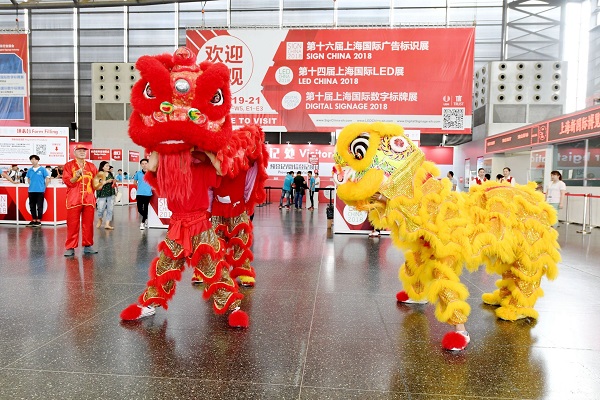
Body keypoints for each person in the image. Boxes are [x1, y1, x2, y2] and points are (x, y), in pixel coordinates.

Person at [62, 144, 99, 256]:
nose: (82, 152)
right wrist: (77, 176)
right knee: (72, 224)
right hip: (74, 199)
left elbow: (96, 183)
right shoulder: (69, 165)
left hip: (88, 199)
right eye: (79, 150)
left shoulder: (92, 166)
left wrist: (104, 181)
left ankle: (88, 245)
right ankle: (70, 247)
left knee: (88, 224)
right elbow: (68, 181)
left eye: (84, 150)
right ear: (74, 152)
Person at [25, 155, 50, 226]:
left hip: (40, 191)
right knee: (32, 206)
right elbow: (28, 179)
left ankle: (38, 220)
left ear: (38, 160)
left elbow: (47, 178)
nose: (33, 161)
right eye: (32, 159)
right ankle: (33, 219)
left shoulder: (42, 169)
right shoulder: (30, 170)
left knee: (39, 206)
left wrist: (44, 187)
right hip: (31, 191)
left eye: (35, 159)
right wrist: (31, 185)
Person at [95, 160, 117, 230]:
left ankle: (107, 224)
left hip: (111, 192)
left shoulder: (110, 173)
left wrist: (114, 181)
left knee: (110, 209)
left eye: (108, 165)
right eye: (107, 166)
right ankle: (100, 219)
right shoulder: (99, 174)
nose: (108, 167)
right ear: (102, 167)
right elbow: (99, 183)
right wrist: (107, 181)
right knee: (100, 208)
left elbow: (112, 181)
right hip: (102, 193)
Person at [133, 158, 153, 230]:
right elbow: (135, 181)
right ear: (141, 165)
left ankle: (143, 222)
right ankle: (146, 217)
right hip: (139, 193)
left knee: (146, 208)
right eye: (142, 164)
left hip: (148, 194)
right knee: (139, 209)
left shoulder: (151, 173)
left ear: (148, 164)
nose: (144, 165)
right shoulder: (138, 173)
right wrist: (138, 186)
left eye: (146, 163)